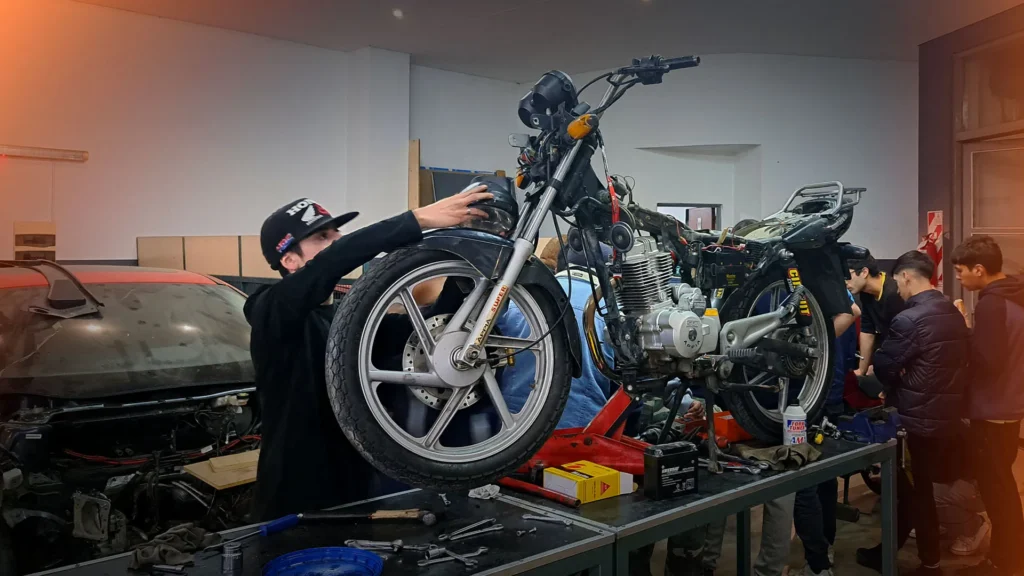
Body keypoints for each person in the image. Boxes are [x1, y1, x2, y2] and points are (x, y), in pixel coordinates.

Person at [243, 187, 491, 520]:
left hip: (356, 494)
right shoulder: (268, 311)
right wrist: (417, 220)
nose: (337, 240)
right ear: (289, 260)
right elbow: (330, 263)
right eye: (322, 236)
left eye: (336, 233)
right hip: (294, 501)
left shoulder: (349, 320)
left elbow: (429, 332)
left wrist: (471, 259)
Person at [855, 250, 970, 575]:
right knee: (913, 491)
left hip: (914, 418)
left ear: (905, 276)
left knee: (916, 494)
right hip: (946, 414)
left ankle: (930, 564)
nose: (899, 289)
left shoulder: (909, 318)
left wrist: (897, 374)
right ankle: (888, 552)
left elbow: (885, 365)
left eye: (898, 281)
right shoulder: (951, 310)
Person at [951, 235, 1024, 576]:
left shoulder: (991, 304)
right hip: (1010, 406)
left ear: (979, 269)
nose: (958, 277)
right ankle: (1008, 557)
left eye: (960, 270)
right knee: (1004, 487)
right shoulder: (1014, 295)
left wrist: (965, 327)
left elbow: (988, 360)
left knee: (998, 493)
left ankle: (1003, 562)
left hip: (993, 409)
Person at [793, 289, 860, 576]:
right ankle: (824, 548)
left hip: (810, 395)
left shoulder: (808, 280)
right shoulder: (821, 284)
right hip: (823, 389)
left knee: (805, 480)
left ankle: (818, 561)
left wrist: (814, 340)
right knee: (823, 476)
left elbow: (852, 312)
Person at [847, 255, 906, 375]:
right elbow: (867, 330)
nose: (845, 282)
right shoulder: (865, 293)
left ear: (864, 272)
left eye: (847, 276)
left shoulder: (894, 293)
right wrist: (862, 370)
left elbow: (902, 338)